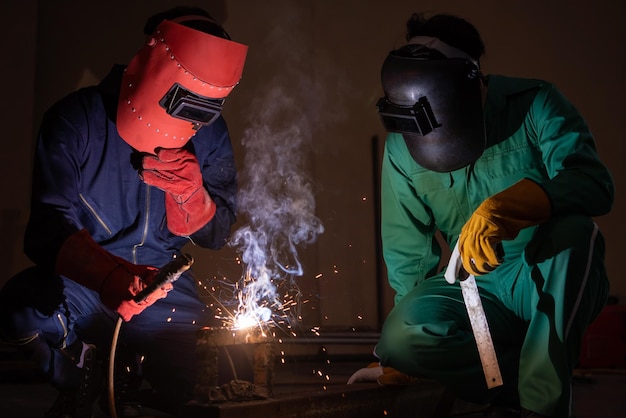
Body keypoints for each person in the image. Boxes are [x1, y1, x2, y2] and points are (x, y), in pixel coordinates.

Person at [349, 12, 614, 418]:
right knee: (402, 337)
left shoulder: (535, 103)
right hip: (473, 288)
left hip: (544, 273)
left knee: (579, 234)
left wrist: (510, 208)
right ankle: (515, 382)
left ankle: (540, 405)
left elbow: (593, 184)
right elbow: (409, 255)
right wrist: (407, 360)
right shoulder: (402, 148)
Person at [0, 6, 248, 417]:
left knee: (208, 381)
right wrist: (107, 275)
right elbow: (45, 230)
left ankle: (132, 375)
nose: (191, 121)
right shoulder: (76, 118)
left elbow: (216, 234)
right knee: (18, 313)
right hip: (85, 281)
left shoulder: (209, 131)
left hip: (164, 286)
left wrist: (194, 198)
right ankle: (78, 377)